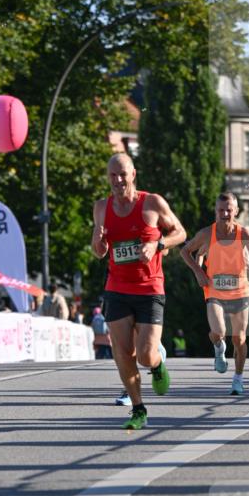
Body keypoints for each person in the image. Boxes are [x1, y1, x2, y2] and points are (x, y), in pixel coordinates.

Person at [92, 152, 186, 430]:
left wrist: (158, 245)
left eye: (123, 174)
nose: (118, 180)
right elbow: (98, 252)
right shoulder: (101, 207)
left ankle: (157, 365)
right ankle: (138, 409)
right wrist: (100, 243)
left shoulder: (152, 203)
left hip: (150, 288)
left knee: (145, 354)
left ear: (133, 175)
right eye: (113, 175)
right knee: (122, 352)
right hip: (117, 288)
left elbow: (180, 233)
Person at [181, 192, 249, 396]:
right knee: (218, 332)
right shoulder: (206, 234)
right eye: (221, 210)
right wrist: (199, 272)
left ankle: (238, 379)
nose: (225, 214)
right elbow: (185, 251)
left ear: (236, 211)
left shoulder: (244, 233)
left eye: (229, 210)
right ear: (216, 211)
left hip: (240, 290)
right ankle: (219, 347)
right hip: (215, 290)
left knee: (240, 338)